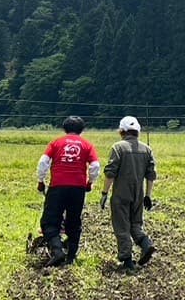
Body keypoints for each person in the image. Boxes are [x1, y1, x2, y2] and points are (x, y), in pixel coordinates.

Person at [36, 115, 101, 266]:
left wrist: (41, 181)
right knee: (73, 221)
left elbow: (43, 162)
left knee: (49, 221)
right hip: (78, 188)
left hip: (57, 186)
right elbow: (95, 166)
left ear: (64, 129)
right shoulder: (87, 145)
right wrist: (90, 182)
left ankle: (57, 251)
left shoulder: (56, 143)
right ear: (82, 130)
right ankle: (71, 256)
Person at [100, 115, 156, 272]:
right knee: (135, 224)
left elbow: (110, 173)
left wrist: (104, 193)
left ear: (122, 131)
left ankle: (127, 260)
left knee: (122, 226)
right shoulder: (146, 149)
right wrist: (148, 195)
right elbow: (151, 174)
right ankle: (146, 244)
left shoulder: (118, 148)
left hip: (121, 194)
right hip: (139, 194)